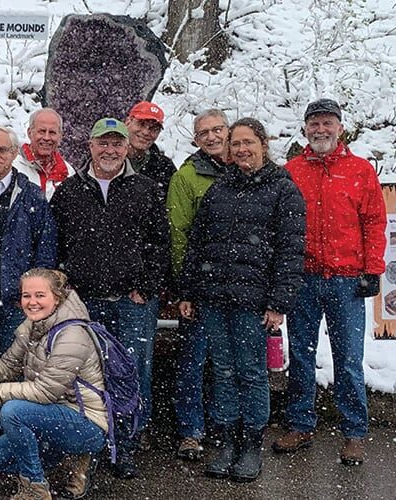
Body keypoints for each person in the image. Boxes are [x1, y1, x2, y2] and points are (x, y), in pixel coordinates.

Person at [175, 117, 307, 483]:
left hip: (254, 301)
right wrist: (188, 290)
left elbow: (290, 252)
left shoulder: (283, 191)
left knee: (251, 373)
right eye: (236, 144)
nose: (242, 150)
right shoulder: (220, 189)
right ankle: (227, 440)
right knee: (223, 372)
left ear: (264, 144)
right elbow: (197, 243)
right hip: (215, 298)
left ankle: (251, 443)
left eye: (248, 142)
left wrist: (279, 302)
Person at [49, 118, 169, 479]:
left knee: (131, 372)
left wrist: (146, 286)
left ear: (126, 148)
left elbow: (160, 244)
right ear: (90, 146)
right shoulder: (69, 191)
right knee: (85, 375)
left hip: (131, 302)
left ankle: (127, 445)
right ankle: (91, 443)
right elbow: (56, 245)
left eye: (117, 144)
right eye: (103, 143)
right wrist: (64, 290)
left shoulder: (146, 188)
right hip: (84, 303)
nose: (110, 150)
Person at [274, 98, 386, 466]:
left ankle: (354, 432)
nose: (321, 130)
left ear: (340, 127)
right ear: (305, 129)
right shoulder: (291, 170)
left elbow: (373, 222)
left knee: (349, 360)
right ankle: (300, 424)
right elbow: (282, 228)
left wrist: (373, 270)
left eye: (328, 123)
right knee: (301, 355)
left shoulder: (360, 171)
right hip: (304, 278)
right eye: (314, 124)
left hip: (346, 280)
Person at [0, 269, 106, 500]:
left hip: (85, 423)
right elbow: (7, 367)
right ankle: (60, 458)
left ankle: (36, 487)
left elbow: (44, 391)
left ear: (57, 298)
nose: (32, 302)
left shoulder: (72, 334)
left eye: (40, 295)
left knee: (13, 411)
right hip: (49, 418)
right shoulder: (34, 325)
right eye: (27, 295)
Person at [0, 126, 56, 450]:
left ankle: (13, 441)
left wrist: (31, 299)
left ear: (15, 153)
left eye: (3, 150)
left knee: (16, 377)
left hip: (15, 308)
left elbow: (44, 251)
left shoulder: (31, 196)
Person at [165, 108, 232, 461]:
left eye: (217, 129)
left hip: (239, 286)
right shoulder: (187, 177)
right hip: (202, 285)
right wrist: (185, 287)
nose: (211, 137)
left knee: (229, 362)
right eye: (203, 132)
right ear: (195, 139)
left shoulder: (247, 169)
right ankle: (190, 430)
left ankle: (224, 425)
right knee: (194, 360)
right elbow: (179, 236)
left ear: (228, 130)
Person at [11, 108, 69, 197]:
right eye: (42, 131)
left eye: (52, 132)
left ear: (60, 136)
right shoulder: (12, 166)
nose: (46, 137)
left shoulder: (68, 172)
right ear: (29, 133)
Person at [125, 101, 177, 187]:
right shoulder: (107, 156)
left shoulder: (165, 167)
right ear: (128, 122)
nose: (146, 132)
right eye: (141, 124)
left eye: (154, 128)